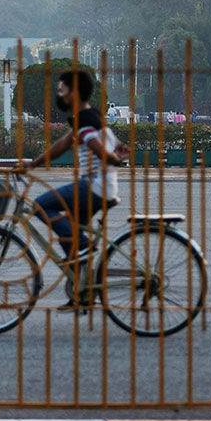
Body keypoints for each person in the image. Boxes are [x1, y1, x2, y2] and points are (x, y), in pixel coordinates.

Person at [17, 71, 131, 308]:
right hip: (101, 186)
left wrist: (113, 158)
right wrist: (33, 165)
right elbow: (61, 145)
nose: (60, 93)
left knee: (40, 206)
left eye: (62, 89)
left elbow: (100, 150)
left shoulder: (86, 123)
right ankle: (82, 292)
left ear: (74, 92)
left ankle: (83, 245)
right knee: (67, 237)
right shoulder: (88, 118)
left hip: (93, 186)